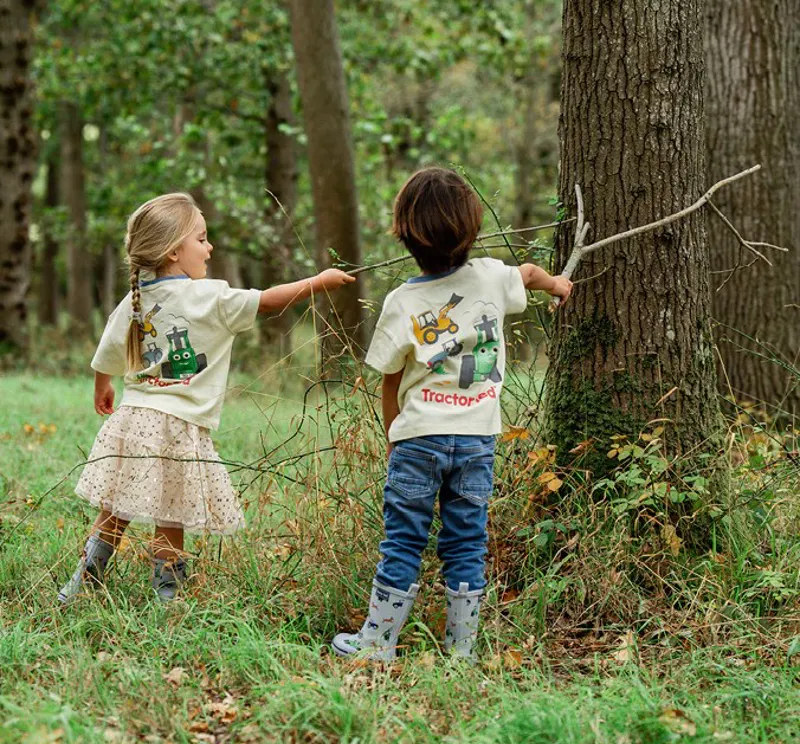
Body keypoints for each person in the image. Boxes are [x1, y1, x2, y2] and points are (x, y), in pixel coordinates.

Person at [59, 192, 355, 604]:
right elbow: (267, 301)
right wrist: (318, 283)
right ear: (175, 251)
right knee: (171, 511)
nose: (209, 247)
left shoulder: (136, 299)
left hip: (133, 420)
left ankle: (82, 582)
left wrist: (102, 388)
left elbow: (106, 355)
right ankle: (168, 595)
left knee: (113, 509)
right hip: (176, 425)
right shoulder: (209, 297)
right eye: (202, 239)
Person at [332, 168, 572, 661]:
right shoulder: (490, 276)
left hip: (418, 438)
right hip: (477, 439)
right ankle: (462, 648)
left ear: (404, 234)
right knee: (467, 540)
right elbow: (528, 272)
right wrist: (558, 285)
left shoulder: (402, 302)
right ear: (471, 232)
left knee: (402, 540)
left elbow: (390, 380)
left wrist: (393, 435)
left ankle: (377, 642)